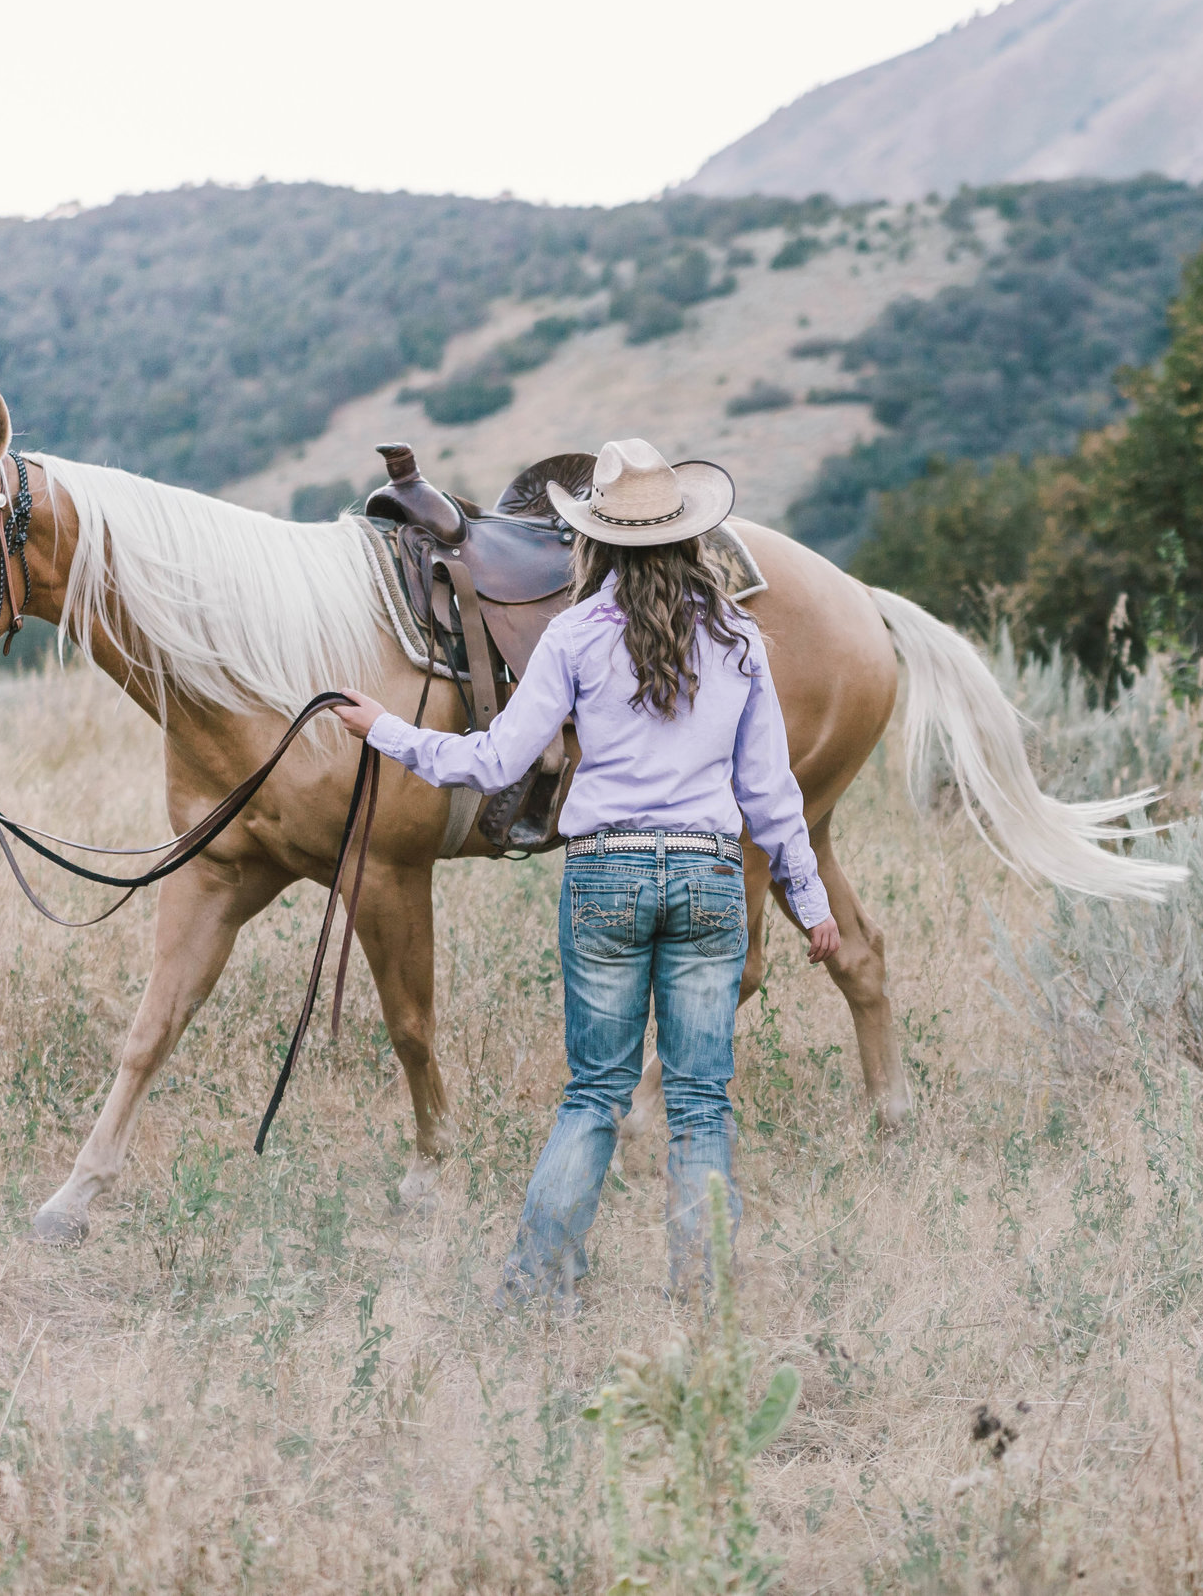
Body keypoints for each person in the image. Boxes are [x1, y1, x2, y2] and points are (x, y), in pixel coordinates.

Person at [331, 438, 838, 1309]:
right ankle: (705, 1301)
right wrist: (812, 899)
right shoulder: (739, 637)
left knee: (596, 1093)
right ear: (688, 537)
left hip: (605, 873)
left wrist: (383, 727)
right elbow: (770, 792)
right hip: (711, 876)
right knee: (701, 1105)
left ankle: (533, 1292)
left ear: (594, 539)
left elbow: (493, 763)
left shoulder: (572, 635)